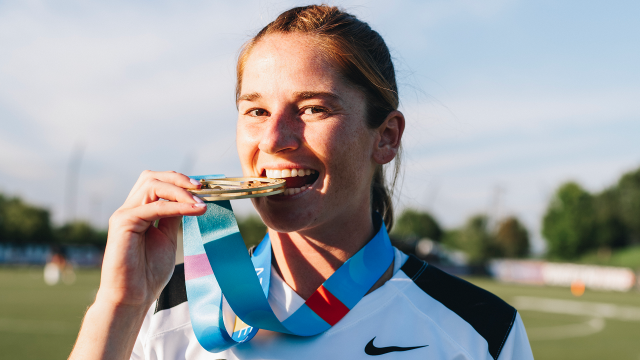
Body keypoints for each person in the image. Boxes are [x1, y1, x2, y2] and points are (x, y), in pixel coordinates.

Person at [69, 5, 533, 360]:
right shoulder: (165, 306)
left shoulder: (481, 333)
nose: (274, 139)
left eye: (313, 108)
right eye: (256, 111)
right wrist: (120, 304)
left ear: (386, 137)